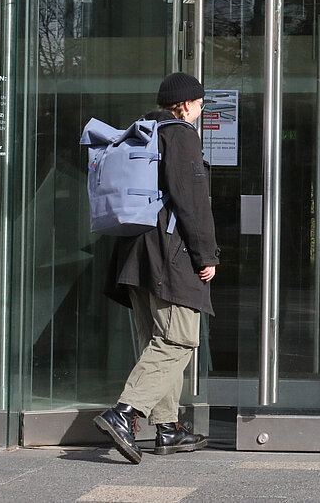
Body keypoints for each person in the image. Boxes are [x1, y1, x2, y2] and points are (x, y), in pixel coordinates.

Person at [94, 72, 220, 464]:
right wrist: (207, 255)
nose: (200, 111)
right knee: (179, 340)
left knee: (158, 341)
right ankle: (125, 412)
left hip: (135, 255)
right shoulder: (180, 135)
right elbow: (192, 201)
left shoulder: (144, 132)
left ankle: (168, 428)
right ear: (184, 105)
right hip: (169, 255)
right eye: (199, 104)